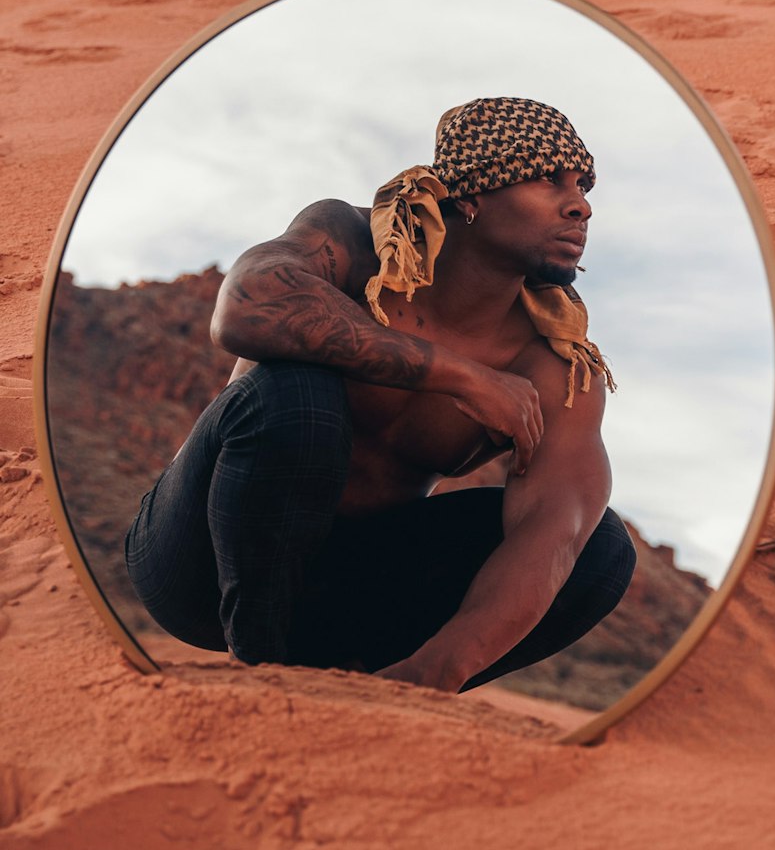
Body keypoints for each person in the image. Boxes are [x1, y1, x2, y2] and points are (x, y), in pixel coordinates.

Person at [125, 96, 636, 693]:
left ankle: (371, 695)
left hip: (338, 589)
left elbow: (555, 526)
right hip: (198, 565)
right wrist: (461, 375)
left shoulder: (551, 363)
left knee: (600, 548)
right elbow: (245, 306)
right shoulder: (351, 243)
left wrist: (432, 675)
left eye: (584, 184)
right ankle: (266, 683)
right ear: (471, 197)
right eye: (550, 180)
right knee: (298, 394)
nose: (581, 205)